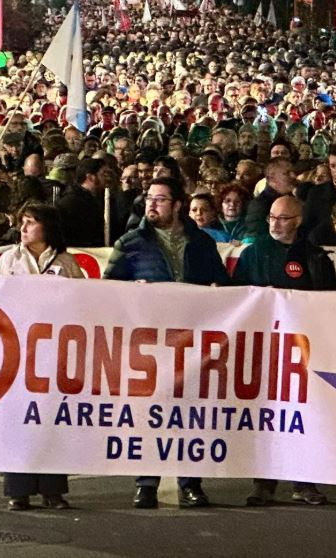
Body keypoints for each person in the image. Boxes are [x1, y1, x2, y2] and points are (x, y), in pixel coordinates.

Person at [103, 177, 227, 509]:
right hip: (148, 342)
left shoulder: (200, 243)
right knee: (150, 412)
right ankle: (146, 482)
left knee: (190, 413)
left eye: (160, 199)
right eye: (149, 200)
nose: (152, 205)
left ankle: (190, 483)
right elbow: (107, 290)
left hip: (191, 339)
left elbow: (222, 284)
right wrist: (132, 293)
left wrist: (216, 291)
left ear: (177, 205)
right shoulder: (129, 243)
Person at [234, 195, 335, 507]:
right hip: (265, 347)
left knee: (303, 415)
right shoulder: (253, 254)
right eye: (273, 218)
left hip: (303, 349)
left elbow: (331, 300)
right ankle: (263, 482)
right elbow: (235, 296)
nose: (277, 224)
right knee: (267, 416)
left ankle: (304, 480)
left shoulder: (314, 255)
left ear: (299, 221)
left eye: (284, 219)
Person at [0, 204, 82, 509]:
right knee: (18, 421)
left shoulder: (66, 262)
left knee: (52, 421)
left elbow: (85, 301)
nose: (24, 228)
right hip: (17, 352)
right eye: (22, 223)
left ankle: (53, 491)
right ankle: (18, 490)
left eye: (31, 223)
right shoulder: (9, 259)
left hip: (55, 353)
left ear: (47, 228)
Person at [56, 157, 105, 247]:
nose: (108, 178)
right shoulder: (71, 203)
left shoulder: (98, 198)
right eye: (103, 174)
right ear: (90, 177)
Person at [245, 156, 296, 241]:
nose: (293, 176)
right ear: (272, 178)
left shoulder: (296, 199)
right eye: (287, 173)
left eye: (293, 172)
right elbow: (257, 238)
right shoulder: (259, 206)